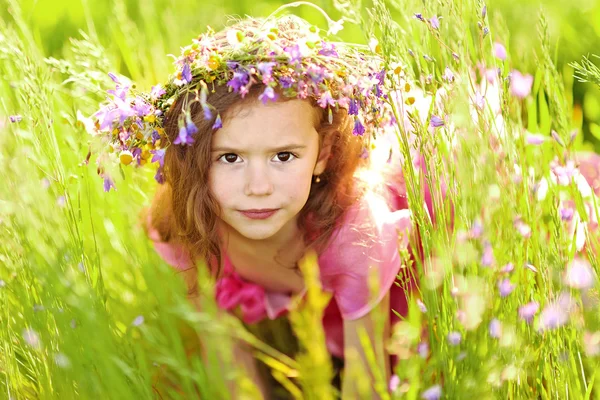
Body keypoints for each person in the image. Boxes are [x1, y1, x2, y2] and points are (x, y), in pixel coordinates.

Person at [87, 14, 419, 399]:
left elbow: (367, 384)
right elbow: (231, 365)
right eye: (229, 158)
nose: (258, 187)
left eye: (283, 156)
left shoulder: (356, 232)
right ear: (193, 160)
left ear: (323, 155)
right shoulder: (186, 225)